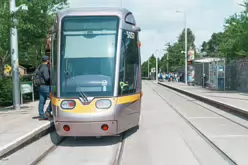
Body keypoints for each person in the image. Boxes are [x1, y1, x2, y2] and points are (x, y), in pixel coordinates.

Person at [37, 56, 53, 120]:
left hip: (40, 86)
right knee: (54, 99)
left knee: (42, 101)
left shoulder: (40, 67)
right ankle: (48, 112)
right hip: (46, 86)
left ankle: (41, 115)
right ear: (48, 61)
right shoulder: (45, 68)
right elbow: (47, 78)